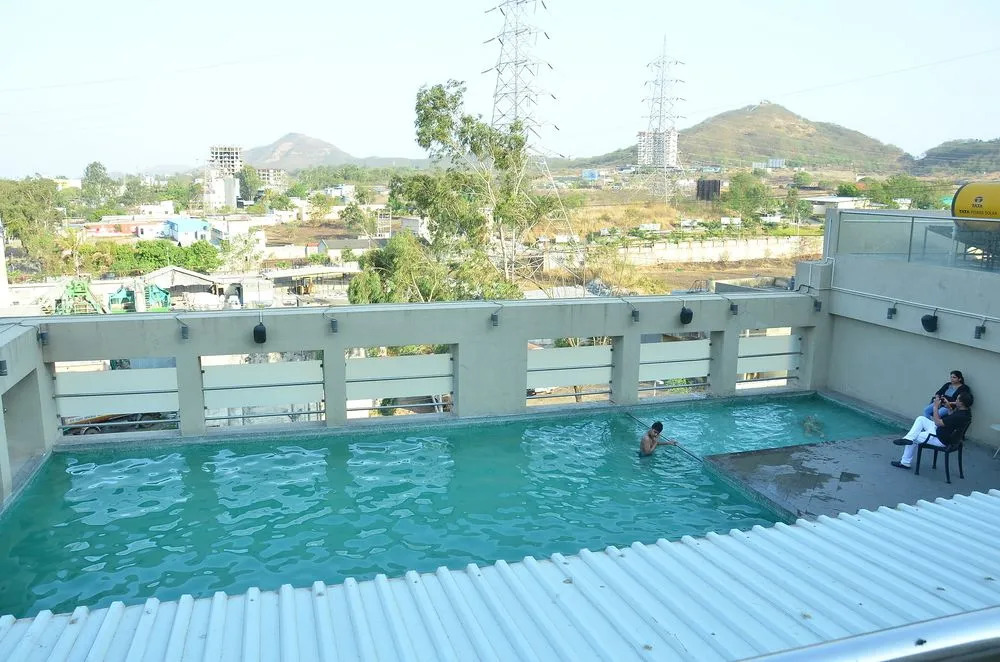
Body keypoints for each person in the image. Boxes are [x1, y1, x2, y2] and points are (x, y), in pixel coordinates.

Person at [892, 391, 972, 470]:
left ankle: (905, 462)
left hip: (940, 439)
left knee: (914, 436)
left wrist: (935, 407)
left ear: (961, 403)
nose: (955, 400)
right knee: (921, 419)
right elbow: (951, 419)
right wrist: (949, 407)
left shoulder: (959, 416)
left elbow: (937, 422)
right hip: (943, 432)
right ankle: (908, 439)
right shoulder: (966, 412)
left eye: (957, 399)